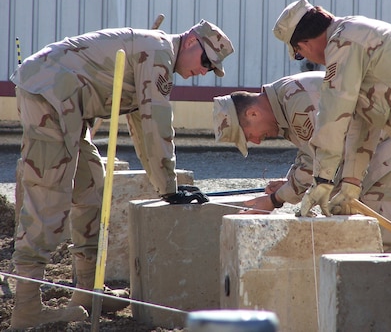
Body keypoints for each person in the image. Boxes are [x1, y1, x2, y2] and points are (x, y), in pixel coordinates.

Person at [9, 20, 234, 329]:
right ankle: (27, 308)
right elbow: (156, 123)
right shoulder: (159, 54)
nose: (205, 71)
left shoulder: (155, 52)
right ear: (193, 42)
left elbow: (143, 127)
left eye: (212, 69)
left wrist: (165, 185)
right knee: (49, 196)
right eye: (206, 61)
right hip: (49, 94)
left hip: (62, 99)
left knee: (90, 184)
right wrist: (169, 187)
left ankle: (86, 291)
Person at [272, 0, 391, 252]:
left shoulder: (344, 41)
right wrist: (350, 182)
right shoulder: (352, 34)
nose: (304, 58)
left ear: (302, 45)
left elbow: (334, 110)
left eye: (298, 53)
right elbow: (363, 120)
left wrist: (323, 177)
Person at [213, 71, 391, 253]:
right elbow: (309, 152)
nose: (256, 140)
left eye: (249, 135)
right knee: (348, 218)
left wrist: (275, 200)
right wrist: (288, 183)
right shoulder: (284, 102)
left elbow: (318, 161)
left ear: (253, 113)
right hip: (366, 151)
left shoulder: (298, 100)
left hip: (389, 146)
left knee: (385, 239)